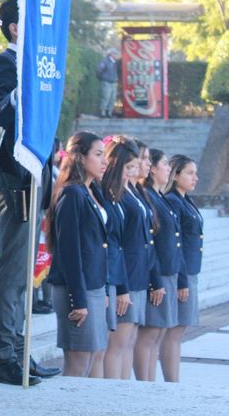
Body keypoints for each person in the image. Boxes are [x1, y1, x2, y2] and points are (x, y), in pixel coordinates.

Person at [0, 0, 60, 386]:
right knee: (13, 271)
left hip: (36, 175)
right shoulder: (4, 64)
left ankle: (18, 349)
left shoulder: (36, 65)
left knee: (23, 271)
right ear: (15, 28)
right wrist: (23, 90)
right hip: (15, 177)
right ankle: (4, 355)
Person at [46, 132, 108, 377]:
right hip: (76, 288)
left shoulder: (91, 191)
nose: (104, 161)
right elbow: (70, 251)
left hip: (92, 285)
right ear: (80, 158)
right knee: (77, 362)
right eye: (98, 155)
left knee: (90, 358)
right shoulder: (72, 193)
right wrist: (79, 299)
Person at [112, 139, 163, 380]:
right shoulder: (119, 192)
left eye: (142, 160)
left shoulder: (135, 192)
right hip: (127, 275)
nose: (144, 165)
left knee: (130, 340)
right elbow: (119, 243)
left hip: (139, 273)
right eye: (140, 159)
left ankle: (128, 393)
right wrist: (123, 285)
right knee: (118, 343)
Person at [133, 149, 184, 382]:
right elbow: (152, 242)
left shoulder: (158, 196)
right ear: (152, 168)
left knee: (159, 333)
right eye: (164, 163)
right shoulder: (148, 196)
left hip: (168, 272)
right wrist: (156, 280)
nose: (168, 169)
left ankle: (152, 385)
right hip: (158, 273)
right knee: (150, 334)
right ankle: (146, 384)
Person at [95, 136, 138, 379]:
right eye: (127, 168)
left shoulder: (114, 194)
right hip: (106, 278)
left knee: (120, 345)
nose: (129, 174)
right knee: (104, 349)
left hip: (118, 277)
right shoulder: (100, 192)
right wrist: (118, 287)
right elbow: (109, 244)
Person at [162, 154, 203, 382]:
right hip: (182, 272)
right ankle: (171, 381)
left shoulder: (184, 199)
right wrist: (182, 280)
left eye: (195, 173)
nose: (195, 177)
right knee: (174, 330)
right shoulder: (173, 200)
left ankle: (174, 379)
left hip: (190, 271)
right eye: (189, 172)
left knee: (179, 329)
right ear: (175, 174)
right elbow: (176, 244)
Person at [96, 48, 119, 117]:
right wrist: (102, 78)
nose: (116, 55)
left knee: (112, 98)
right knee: (106, 97)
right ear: (111, 54)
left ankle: (109, 113)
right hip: (106, 82)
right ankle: (102, 112)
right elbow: (99, 70)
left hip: (113, 83)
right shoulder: (104, 61)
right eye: (115, 54)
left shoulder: (114, 62)